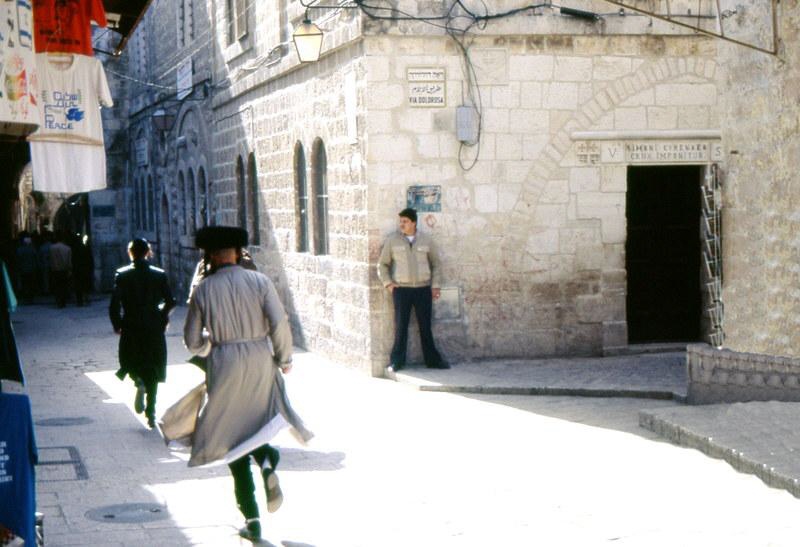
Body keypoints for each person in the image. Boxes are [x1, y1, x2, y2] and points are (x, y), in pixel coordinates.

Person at [183, 226, 312, 542]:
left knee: (233, 440)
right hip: (259, 359)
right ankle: (267, 462)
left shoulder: (203, 289)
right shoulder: (260, 281)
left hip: (224, 363)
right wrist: (283, 358)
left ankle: (252, 518)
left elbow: (191, 340)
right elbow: (279, 322)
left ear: (211, 256)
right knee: (261, 425)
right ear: (238, 253)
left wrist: (210, 349)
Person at [109, 238, 176, 428]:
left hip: (131, 324)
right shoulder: (159, 275)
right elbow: (170, 301)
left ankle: (137, 379)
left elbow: (115, 303)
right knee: (153, 367)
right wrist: (162, 317)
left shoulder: (122, 275)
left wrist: (117, 323)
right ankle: (151, 412)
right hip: (153, 325)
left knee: (130, 359)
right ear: (148, 252)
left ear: (130, 252)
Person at [378, 207, 449, 373]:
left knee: (425, 326)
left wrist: (436, 285)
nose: (401, 224)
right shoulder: (393, 241)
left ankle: (433, 360)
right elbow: (382, 264)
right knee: (401, 326)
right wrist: (388, 283)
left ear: (413, 223)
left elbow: (436, 264)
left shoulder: (426, 240)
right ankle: (397, 361)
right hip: (402, 290)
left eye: (405, 221)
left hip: (423, 290)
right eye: (400, 221)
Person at [49, 232, 72, 308]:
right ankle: (63, 301)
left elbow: (50, 260)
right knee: (64, 286)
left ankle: (58, 300)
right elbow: (69, 261)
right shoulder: (68, 248)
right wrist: (69, 270)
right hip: (64, 270)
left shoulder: (52, 248)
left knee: (57, 286)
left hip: (55, 270)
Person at [14, 233, 37, 305]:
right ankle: (31, 298)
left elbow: (17, 260)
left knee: (24, 284)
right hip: (32, 269)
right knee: (31, 284)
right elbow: (36, 259)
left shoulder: (19, 250)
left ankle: (25, 297)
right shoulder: (33, 249)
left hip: (23, 270)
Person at [71, 235, 94, 306]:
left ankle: (79, 301)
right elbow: (90, 259)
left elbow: (72, 260)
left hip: (77, 270)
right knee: (85, 285)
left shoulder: (73, 249)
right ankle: (86, 299)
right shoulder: (86, 248)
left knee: (78, 286)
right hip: (85, 270)